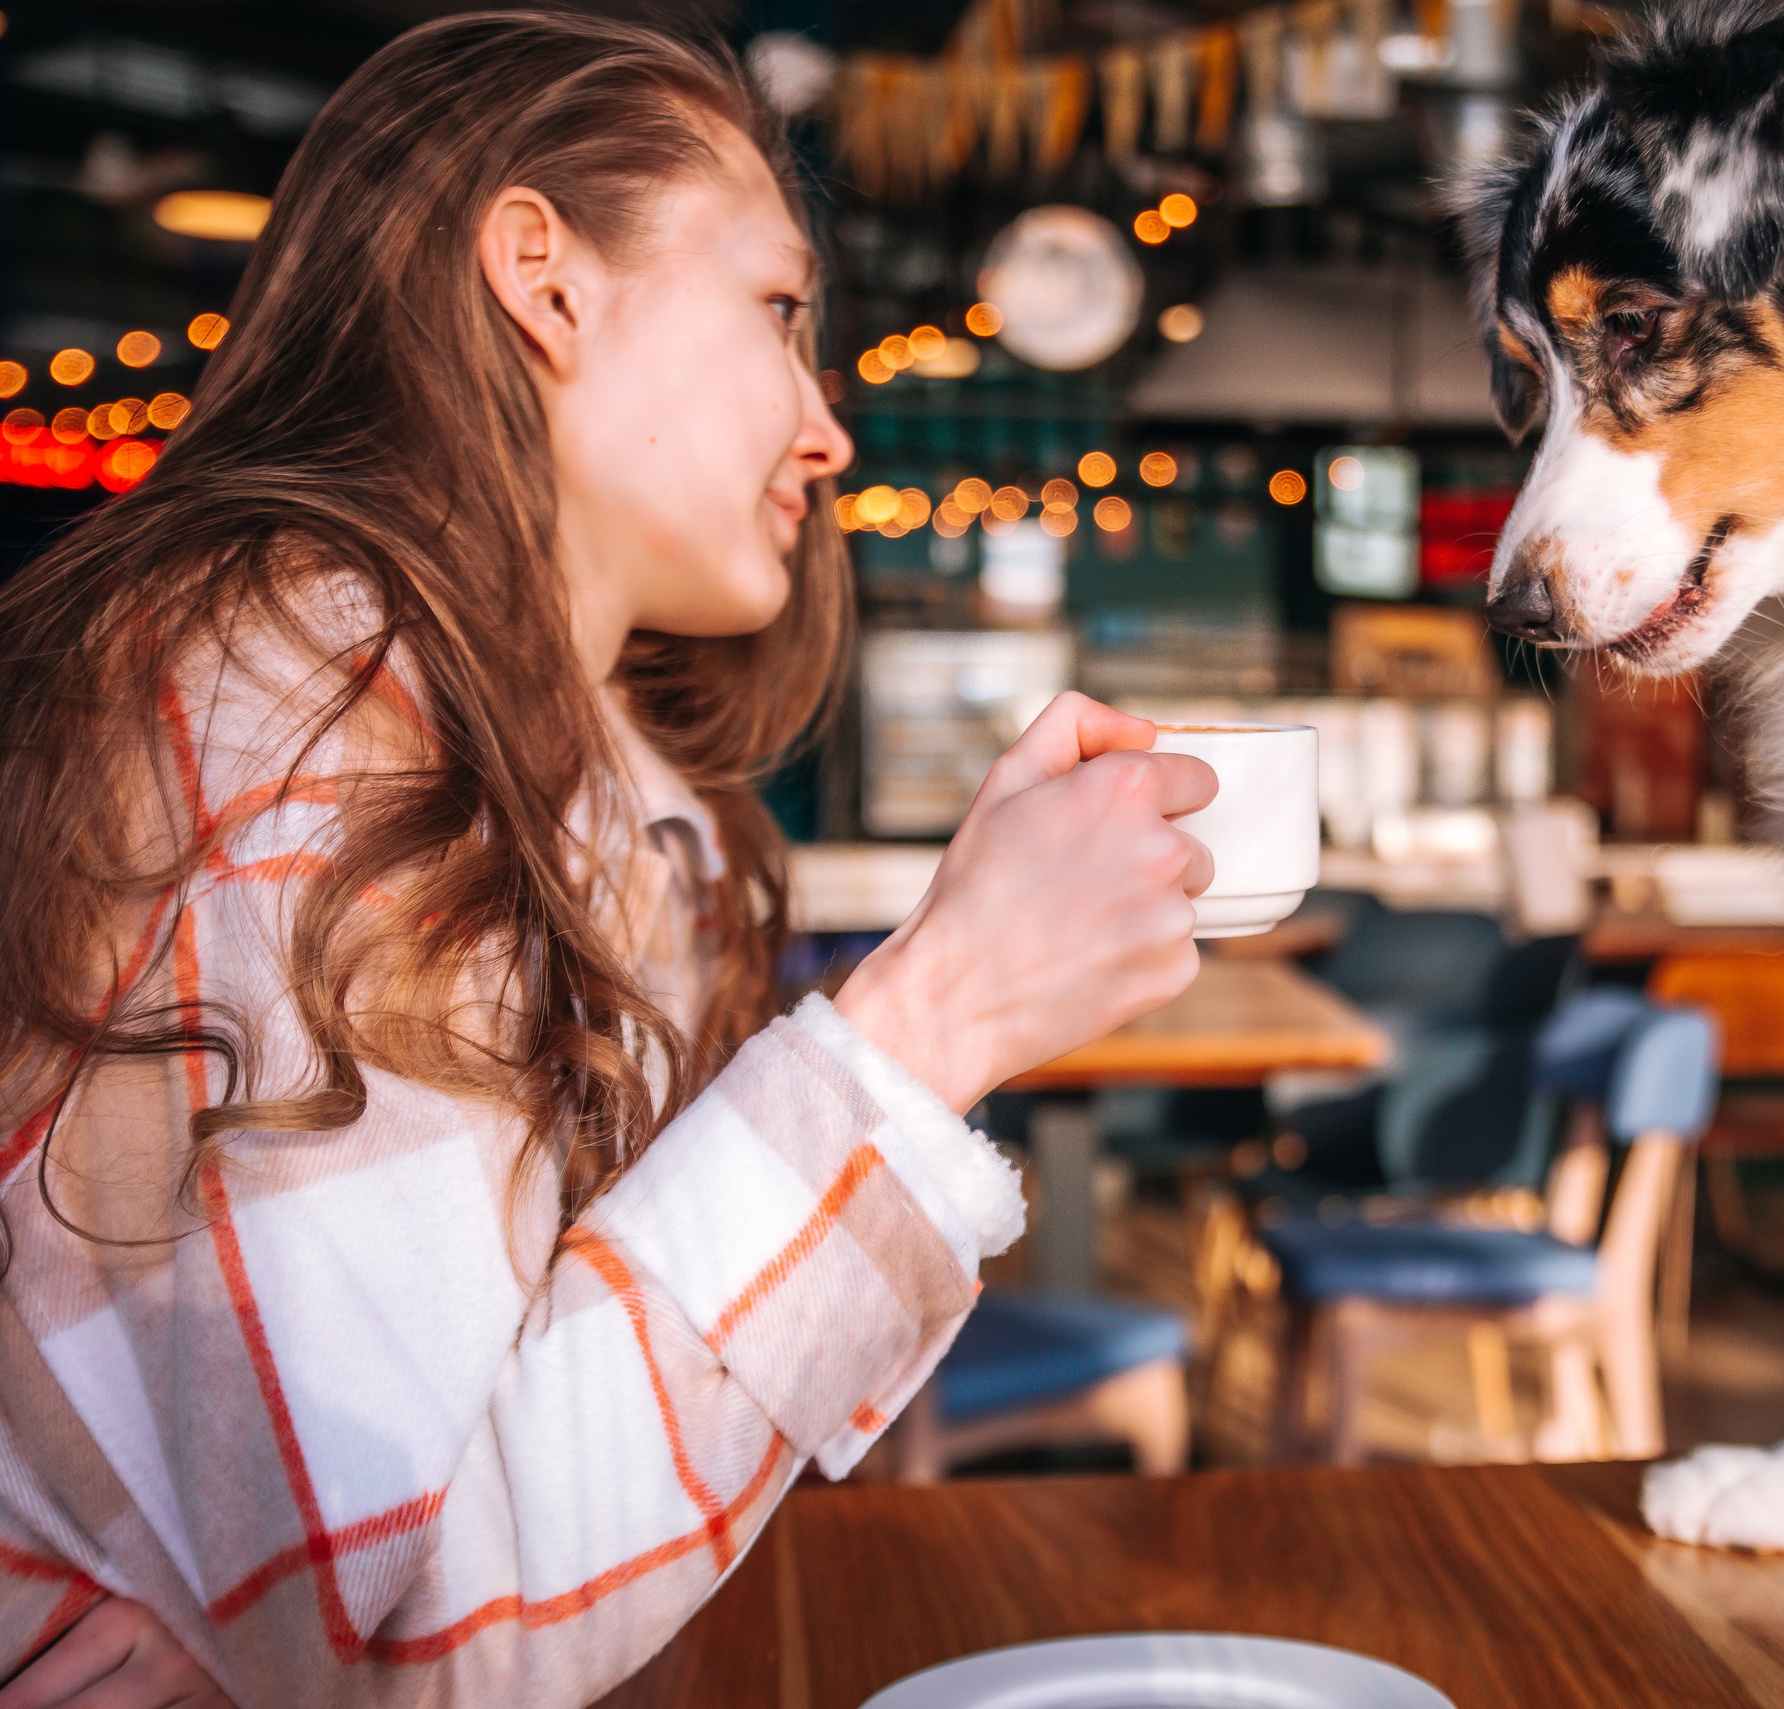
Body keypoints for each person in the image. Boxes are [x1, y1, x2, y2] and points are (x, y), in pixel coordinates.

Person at [0, 14, 1214, 1707]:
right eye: (781, 312)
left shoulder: (615, 792)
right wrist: (938, 1013)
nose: (828, 427)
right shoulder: (295, 683)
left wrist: (277, 1631)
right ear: (544, 280)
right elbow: (424, 1629)